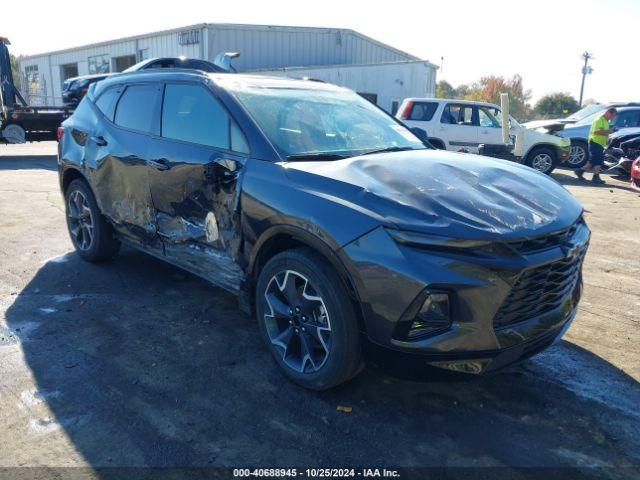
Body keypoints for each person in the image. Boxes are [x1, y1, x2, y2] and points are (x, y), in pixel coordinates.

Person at [575, 107, 617, 184]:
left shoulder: (606, 120)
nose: (612, 118)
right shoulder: (599, 120)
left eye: (613, 117)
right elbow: (596, 132)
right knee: (598, 160)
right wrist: (609, 131)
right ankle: (595, 177)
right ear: (608, 112)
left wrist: (609, 131)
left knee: (593, 160)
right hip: (595, 142)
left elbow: (603, 131)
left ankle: (580, 171)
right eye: (612, 116)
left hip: (599, 143)